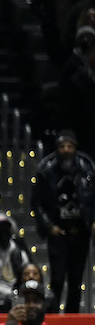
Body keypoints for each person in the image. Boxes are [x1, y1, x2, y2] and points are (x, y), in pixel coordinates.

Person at [32, 131, 95, 314]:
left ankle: (72, 317)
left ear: (75, 148)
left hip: (80, 232)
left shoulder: (87, 168)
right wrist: (49, 226)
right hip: (58, 232)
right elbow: (37, 203)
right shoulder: (46, 170)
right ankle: (53, 316)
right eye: (62, 146)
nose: (66, 150)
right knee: (57, 279)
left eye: (69, 146)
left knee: (76, 280)